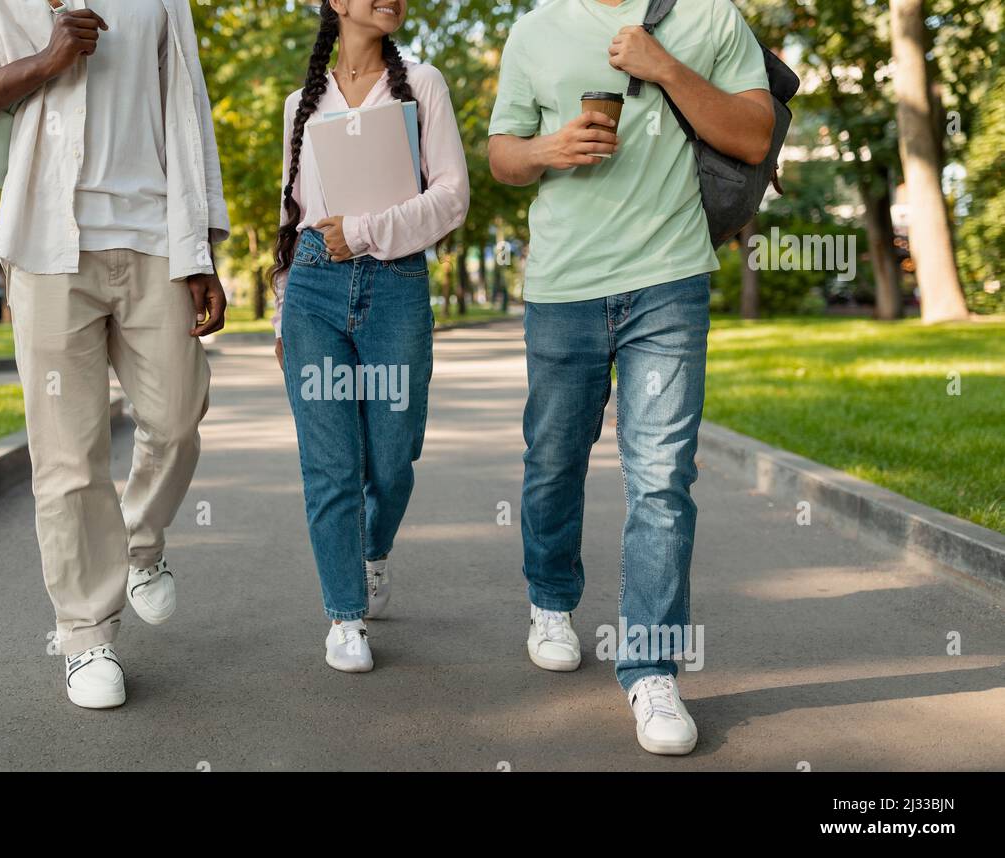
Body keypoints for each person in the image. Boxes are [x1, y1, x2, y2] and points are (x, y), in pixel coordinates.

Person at [0, 0, 230, 709]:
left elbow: (188, 108)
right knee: (68, 454)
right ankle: (86, 634)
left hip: (155, 236)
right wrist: (43, 64)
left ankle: (142, 544)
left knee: (178, 414)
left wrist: (203, 244)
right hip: (48, 244)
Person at [488, 0, 773, 754]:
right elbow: (501, 156)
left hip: (668, 280)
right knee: (553, 459)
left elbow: (752, 133)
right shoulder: (536, 26)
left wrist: (664, 66)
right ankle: (551, 600)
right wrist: (550, 149)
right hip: (562, 285)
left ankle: (651, 668)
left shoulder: (711, 16)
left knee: (661, 476)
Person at [271, 0, 469, 673]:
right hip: (314, 291)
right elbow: (290, 215)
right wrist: (280, 312)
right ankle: (345, 616)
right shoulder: (303, 102)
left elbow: (452, 197)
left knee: (392, 457)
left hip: (395, 287)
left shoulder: (424, 82)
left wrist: (363, 232)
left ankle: (372, 552)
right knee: (328, 463)